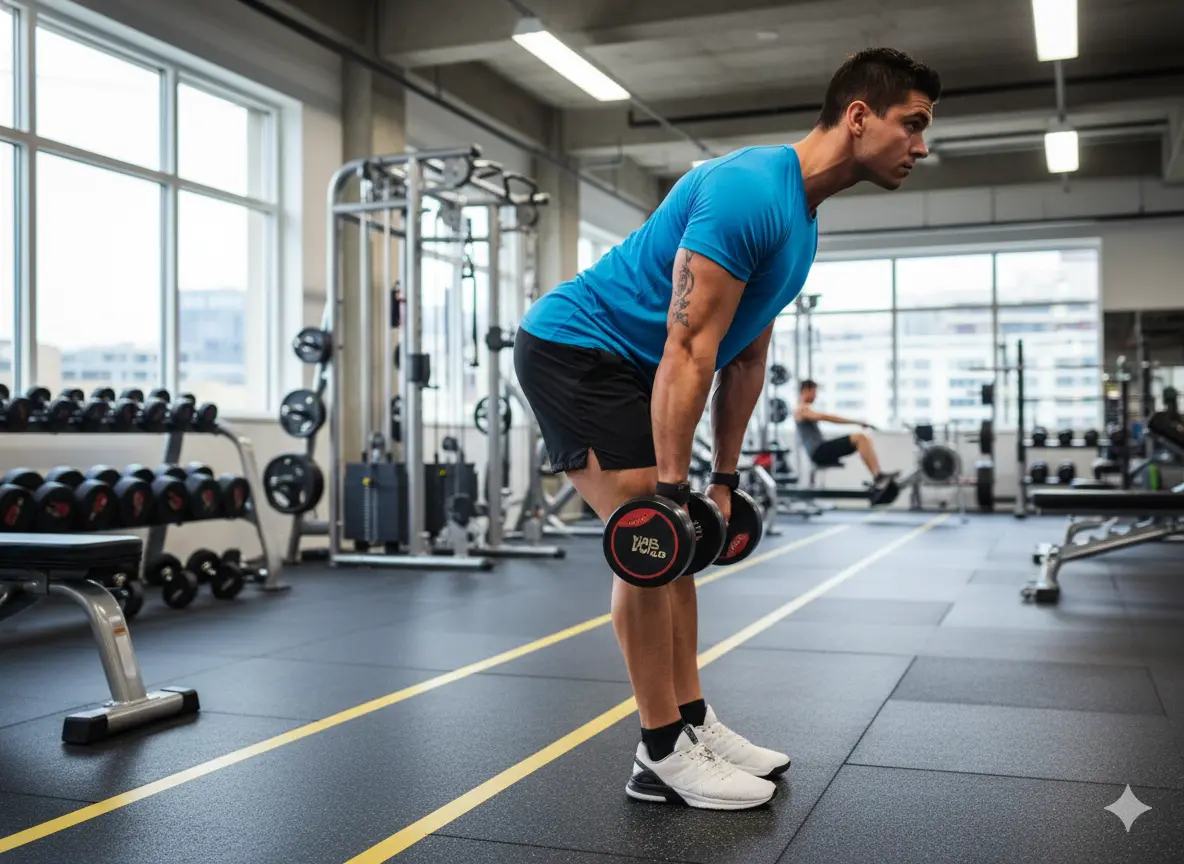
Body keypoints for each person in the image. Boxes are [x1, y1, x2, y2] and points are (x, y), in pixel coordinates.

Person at [514, 47, 939, 810]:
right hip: (578, 348)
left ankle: (691, 719)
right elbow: (688, 346)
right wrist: (673, 492)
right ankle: (658, 752)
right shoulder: (748, 189)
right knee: (650, 535)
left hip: (636, 365)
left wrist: (722, 483)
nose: (921, 145)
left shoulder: (802, 225)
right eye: (911, 124)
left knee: (677, 544)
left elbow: (746, 358)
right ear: (857, 116)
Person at [794, 378, 897, 490]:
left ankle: (878, 475)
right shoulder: (802, 409)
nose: (816, 396)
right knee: (860, 437)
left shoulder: (806, 409)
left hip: (820, 449)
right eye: (814, 392)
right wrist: (857, 422)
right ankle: (878, 476)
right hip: (818, 452)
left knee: (864, 439)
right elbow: (827, 417)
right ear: (805, 390)